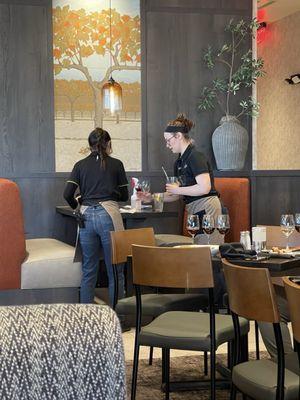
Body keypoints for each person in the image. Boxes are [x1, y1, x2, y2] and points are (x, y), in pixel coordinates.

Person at [63, 127, 128, 305]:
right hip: (108, 215)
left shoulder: (80, 165)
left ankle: (88, 321)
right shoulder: (116, 164)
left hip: (85, 217)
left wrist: (78, 206)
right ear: (108, 144)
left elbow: (67, 194)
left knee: (89, 270)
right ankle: (118, 319)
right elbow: (124, 197)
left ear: (89, 145)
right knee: (115, 271)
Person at [164, 113, 224, 245]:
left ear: (178, 136)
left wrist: (177, 190)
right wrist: (151, 198)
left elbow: (205, 187)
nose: (167, 145)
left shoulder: (195, 156)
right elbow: (175, 194)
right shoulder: (179, 163)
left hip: (207, 208)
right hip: (193, 211)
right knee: (198, 255)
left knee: (209, 254)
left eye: (168, 140)